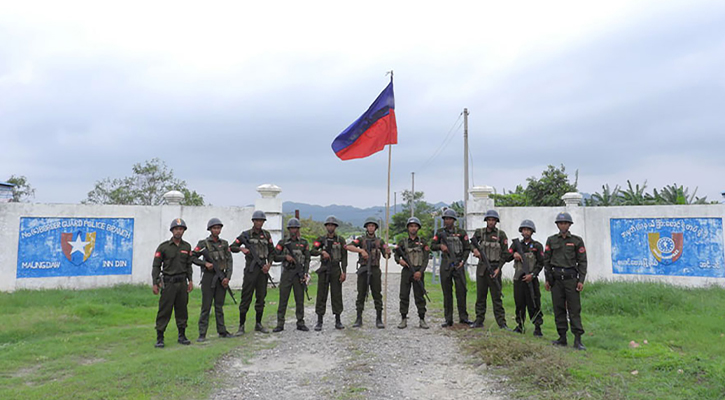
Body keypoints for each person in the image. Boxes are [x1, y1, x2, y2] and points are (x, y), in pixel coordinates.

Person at [544, 212, 588, 350]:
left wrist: (581, 279)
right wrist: (547, 279)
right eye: (560, 223)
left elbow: (582, 261)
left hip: (571, 280)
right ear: (557, 225)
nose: (563, 225)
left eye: (565, 223)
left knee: (574, 309)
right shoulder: (551, 240)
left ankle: (577, 339)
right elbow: (546, 261)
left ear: (569, 225)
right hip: (556, 280)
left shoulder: (577, 240)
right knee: (558, 308)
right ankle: (562, 337)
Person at [230, 210, 275, 335]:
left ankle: (258, 324)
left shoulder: (266, 235)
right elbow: (232, 247)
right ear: (253, 221)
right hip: (251, 270)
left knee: (261, 297)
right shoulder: (246, 235)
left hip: (263, 270)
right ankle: (241, 325)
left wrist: (269, 265)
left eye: (261, 221)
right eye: (257, 220)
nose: (259, 223)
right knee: (246, 297)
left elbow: (272, 252)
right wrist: (241, 248)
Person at [152, 218, 194, 348]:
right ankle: (160, 337)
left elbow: (188, 265)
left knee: (182, 310)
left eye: (181, 229)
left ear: (183, 231)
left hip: (182, 283)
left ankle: (182, 335)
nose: (178, 231)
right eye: (176, 229)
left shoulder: (186, 246)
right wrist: (155, 282)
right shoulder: (163, 247)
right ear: (172, 230)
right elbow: (156, 265)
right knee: (164, 310)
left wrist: (190, 280)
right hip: (169, 283)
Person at [191, 218, 234, 342]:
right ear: (210, 229)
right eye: (214, 228)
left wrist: (227, 277)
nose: (217, 230)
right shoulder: (203, 243)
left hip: (222, 277)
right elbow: (192, 257)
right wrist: (205, 264)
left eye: (218, 228)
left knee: (219, 306)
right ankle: (202, 333)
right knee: (206, 306)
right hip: (209, 278)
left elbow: (229, 261)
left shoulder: (225, 244)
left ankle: (222, 331)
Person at [470, 209, 513, 329]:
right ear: (486, 221)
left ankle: (502, 323)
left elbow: (505, 254)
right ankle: (479, 320)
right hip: (482, 268)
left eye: (493, 220)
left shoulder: (501, 235)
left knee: (497, 298)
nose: (491, 222)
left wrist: (499, 268)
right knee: (480, 296)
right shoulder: (480, 233)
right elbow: (471, 243)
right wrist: (475, 250)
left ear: (496, 221)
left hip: (495, 269)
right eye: (489, 220)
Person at [347, 217, 391, 329]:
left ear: (375, 228)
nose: (371, 228)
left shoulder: (380, 241)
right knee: (361, 294)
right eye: (369, 226)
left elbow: (387, 255)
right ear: (366, 227)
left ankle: (379, 319)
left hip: (375, 269)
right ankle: (358, 318)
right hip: (363, 269)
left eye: (373, 226)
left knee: (377, 294)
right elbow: (348, 246)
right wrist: (361, 251)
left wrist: (387, 252)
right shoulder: (361, 240)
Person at [431, 209, 472, 327]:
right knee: (447, 293)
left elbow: (467, 248)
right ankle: (448, 319)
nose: (447, 221)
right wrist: (440, 246)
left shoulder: (461, 232)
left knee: (461, 291)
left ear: (454, 220)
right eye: (445, 219)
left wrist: (463, 261)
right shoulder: (439, 233)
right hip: (446, 265)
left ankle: (463, 317)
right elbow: (432, 246)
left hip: (458, 263)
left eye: (449, 219)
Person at [272, 218, 311, 332]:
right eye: (291, 228)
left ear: (298, 229)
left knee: (299, 299)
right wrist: (285, 257)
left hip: (298, 274)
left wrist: (305, 273)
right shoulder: (283, 242)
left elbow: (307, 258)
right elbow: (275, 257)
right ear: (289, 229)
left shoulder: (304, 242)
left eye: (295, 228)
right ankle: (280, 323)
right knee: (283, 299)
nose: (293, 230)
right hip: (287, 273)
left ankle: (300, 322)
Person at [310, 215, 348, 331]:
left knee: (336, 295)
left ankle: (338, 320)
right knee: (321, 294)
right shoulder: (321, 239)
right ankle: (319, 321)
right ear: (326, 226)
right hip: (324, 268)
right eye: (329, 225)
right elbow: (312, 250)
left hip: (336, 269)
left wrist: (344, 272)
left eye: (332, 225)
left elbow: (344, 257)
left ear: (335, 227)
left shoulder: (340, 240)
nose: (330, 227)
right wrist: (322, 253)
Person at [508, 219, 544, 336]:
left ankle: (537, 327)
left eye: (528, 230)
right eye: (524, 230)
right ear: (521, 231)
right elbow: (506, 255)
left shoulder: (537, 246)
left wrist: (532, 275)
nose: (526, 232)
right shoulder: (516, 244)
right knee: (519, 303)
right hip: (519, 279)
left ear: (532, 231)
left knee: (534, 303)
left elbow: (540, 263)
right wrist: (514, 254)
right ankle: (520, 325)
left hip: (531, 279)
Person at [393, 217, 430, 329]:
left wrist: (420, 272)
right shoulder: (403, 242)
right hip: (406, 272)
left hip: (418, 271)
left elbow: (426, 259)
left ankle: (422, 319)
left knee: (419, 296)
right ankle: (403, 318)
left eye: (415, 226)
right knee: (404, 295)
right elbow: (396, 255)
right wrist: (400, 261)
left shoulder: (423, 242)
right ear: (408, 228)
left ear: (418, 228)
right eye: (411, 226)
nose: (413, 228)